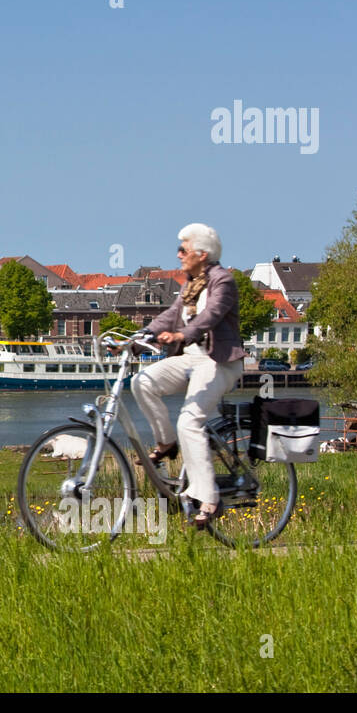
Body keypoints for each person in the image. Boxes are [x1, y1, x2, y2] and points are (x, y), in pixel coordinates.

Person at [134, 223, 246, 528]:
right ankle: (167, 443)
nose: (178, 254)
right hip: (191, 360)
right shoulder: (190, 284)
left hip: (218, 362)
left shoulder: (223, 282)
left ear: (201, 253)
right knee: (142, 382)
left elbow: (210, 317)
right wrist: (141, 334)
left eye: (183, 249)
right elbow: (170, 315)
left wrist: (181, 336)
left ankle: (210, 498)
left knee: (190, 420)